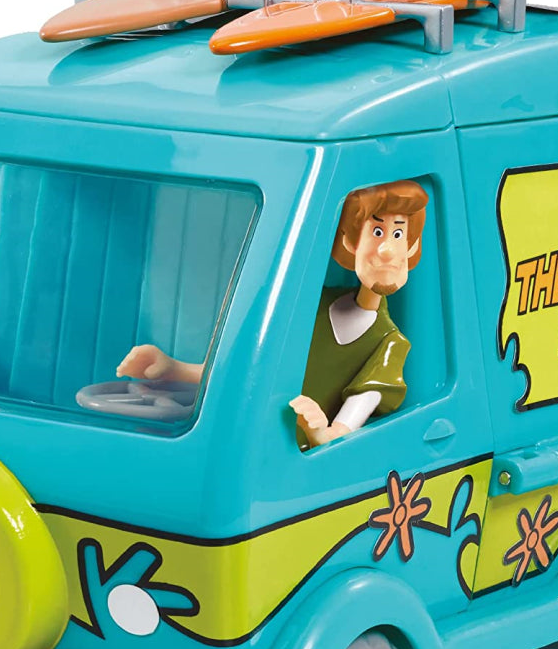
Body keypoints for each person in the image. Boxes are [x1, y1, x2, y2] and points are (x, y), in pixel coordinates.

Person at [117, 179, 428, 449]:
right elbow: (249, 372)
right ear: (350, 241)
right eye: (377, 231)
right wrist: (172, 369)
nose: (387, 250)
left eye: (398, 235)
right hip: (249, 439)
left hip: (287, 456)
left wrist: (326, 433)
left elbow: (359, 407)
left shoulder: (390, 344)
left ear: (411, 248)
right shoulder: (311, 305)